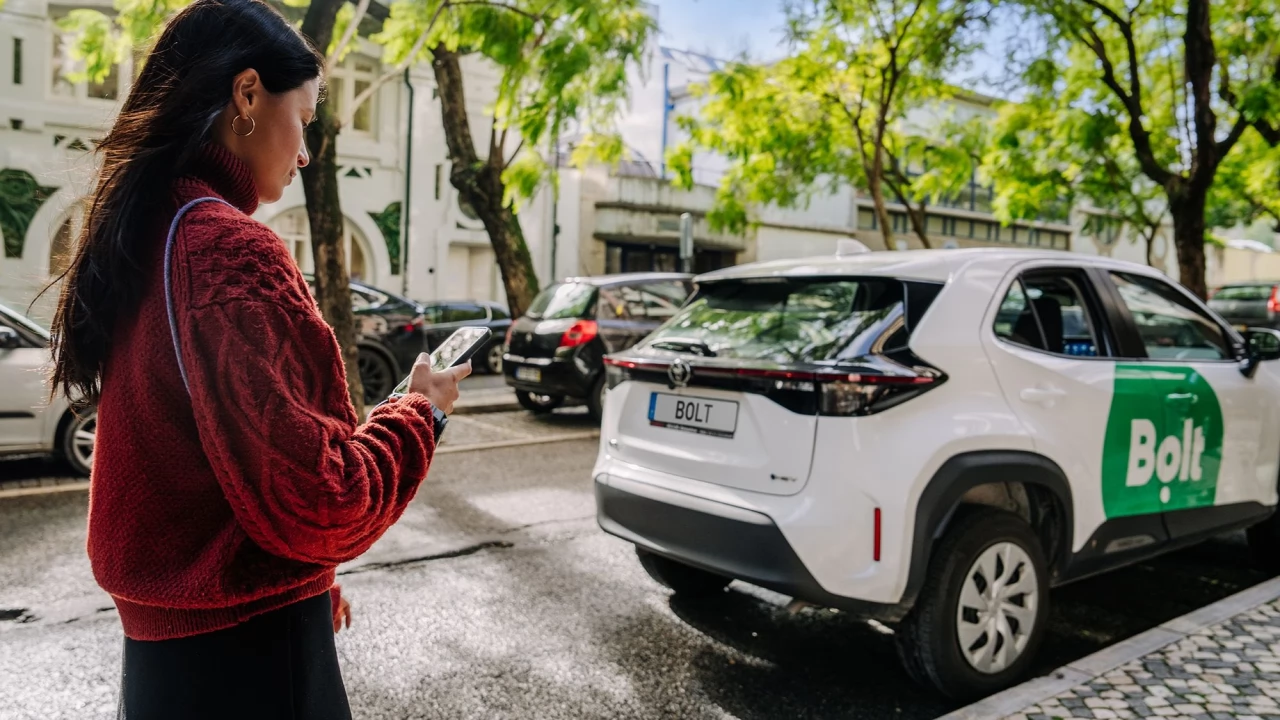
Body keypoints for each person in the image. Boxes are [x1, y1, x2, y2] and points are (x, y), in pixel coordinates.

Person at [44, 0, 469, 717]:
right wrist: (418, 415)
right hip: (252, 660)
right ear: (246, 95)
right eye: (302, 119)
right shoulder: (227, 248)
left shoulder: (148, 231)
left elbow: (200, 454)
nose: (305, 153)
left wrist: (306, 574)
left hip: (164, 660)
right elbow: (325, 500)